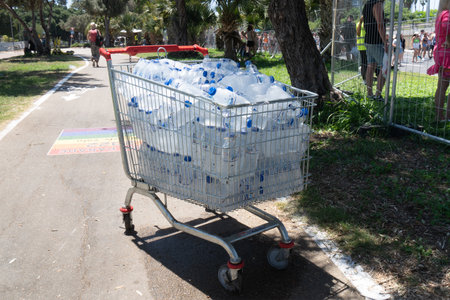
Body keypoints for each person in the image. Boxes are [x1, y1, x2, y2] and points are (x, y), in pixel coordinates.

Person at [427, 0, 450, 122]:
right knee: (442, 86)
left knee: (442, 86)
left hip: (442, 51)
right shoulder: (447, 15)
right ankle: (445, 117)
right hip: (447, 52)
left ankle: (440, 116)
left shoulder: (441, 13)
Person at [363, 0, 387, 101]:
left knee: (370, 66)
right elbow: (380, 25)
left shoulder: (367, 4)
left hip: (368, 40)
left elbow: (366, 23)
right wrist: (385, 42)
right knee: (385, 66)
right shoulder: (377, 4)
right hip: (376, 41)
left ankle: (369, 94)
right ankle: (378, 94)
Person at [356, 15, 367, 82]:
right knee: (365, 63)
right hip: (364, 47)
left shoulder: (359, 24)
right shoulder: (361, 24)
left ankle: (365, 76)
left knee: (366, 63)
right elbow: (358, 33)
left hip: (363, 46)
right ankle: (364, 78)